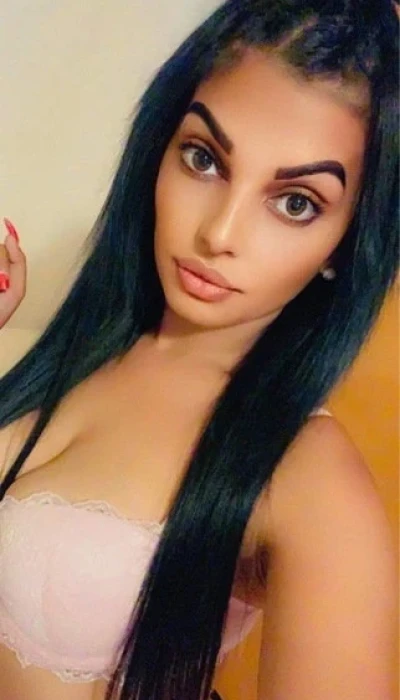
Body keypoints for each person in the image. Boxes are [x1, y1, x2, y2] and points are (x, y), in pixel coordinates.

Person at [0, 1, 398, 699]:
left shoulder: (309, 481)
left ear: (345, 244)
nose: (220, 232)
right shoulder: (85, 344)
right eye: (205, 159)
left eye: (296, 202)